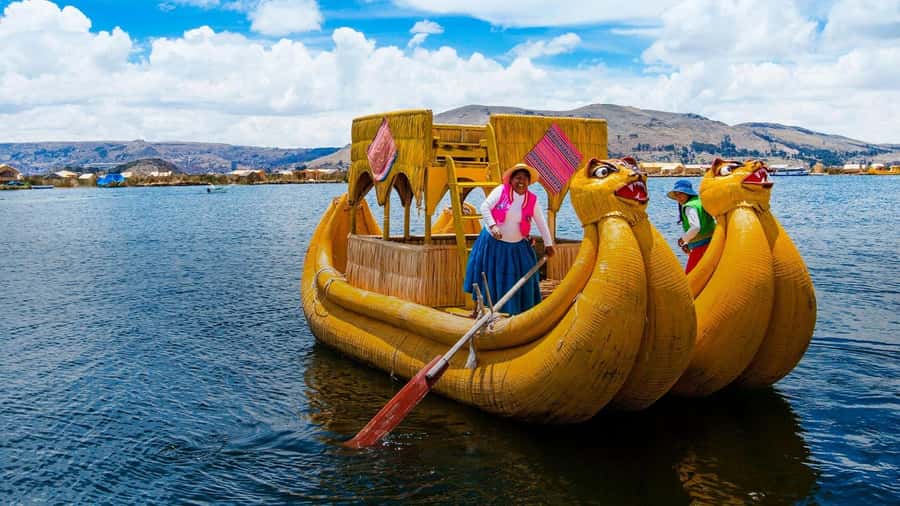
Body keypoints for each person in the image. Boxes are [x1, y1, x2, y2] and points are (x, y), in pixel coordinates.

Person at [463, 163, 555, 316]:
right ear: (511, 180)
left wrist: (548, 244)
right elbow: (484, 207)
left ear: (529, 182)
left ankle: (518, 314)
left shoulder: (532, 200)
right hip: (493, 244)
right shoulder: (501, 191)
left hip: (516, 246)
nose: (521, 182)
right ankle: (478, 310)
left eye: (525, 179)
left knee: (520, 278)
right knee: (486, 276)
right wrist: (493, 226)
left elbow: (541, 222)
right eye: (518, 178)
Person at [667, 179, 715, 274]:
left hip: (700, 247)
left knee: (690, 276)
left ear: (688, 193)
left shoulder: (690, 206)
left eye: (681, 193)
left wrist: (683, 239)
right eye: (676, 194)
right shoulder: (700, 202)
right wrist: (687, 243)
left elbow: (695, 227)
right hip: (712, 243)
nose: (678, 197)